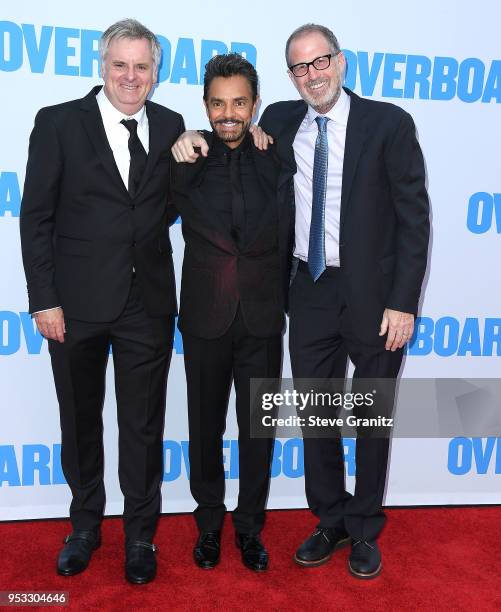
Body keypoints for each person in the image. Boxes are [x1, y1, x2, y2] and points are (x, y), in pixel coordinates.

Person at [171, 23, 430, 579]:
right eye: (299, 67)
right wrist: (190, 136)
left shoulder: (389, 124)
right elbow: (228, 129)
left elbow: (414, 218)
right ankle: (329, 517)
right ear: (290, 76)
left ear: (340, 61)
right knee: (318, 412)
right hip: (308, 288)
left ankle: (363, 527)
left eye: (320, 62)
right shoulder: (282, 122)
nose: (312, 75)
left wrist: (403, 302)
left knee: (369, 414)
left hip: (374, 296)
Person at [19, 19, 184, 584]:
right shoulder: (59, 123)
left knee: (142, 426)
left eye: (142, 66)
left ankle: (141, 536)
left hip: (148, 304)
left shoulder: (171, 126)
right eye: (121, 65)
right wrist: (44, 298)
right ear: (102, 65)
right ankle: (85, 526)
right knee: (80, 421)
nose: (130, 77)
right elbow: (35, 217)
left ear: (156, 72)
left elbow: (169, 205)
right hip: (75, 305)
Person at [170, 53, 292, 572]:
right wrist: (183, 139)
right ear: (205, 105)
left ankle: (249, 528)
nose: (228, 114)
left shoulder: (278, 156)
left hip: (263, 318)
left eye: (238, 102)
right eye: (218, 103)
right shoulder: (184, 159)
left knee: (257, 431)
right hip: (205, 318)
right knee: (204, 427)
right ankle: (208, 525)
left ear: (254, 104)